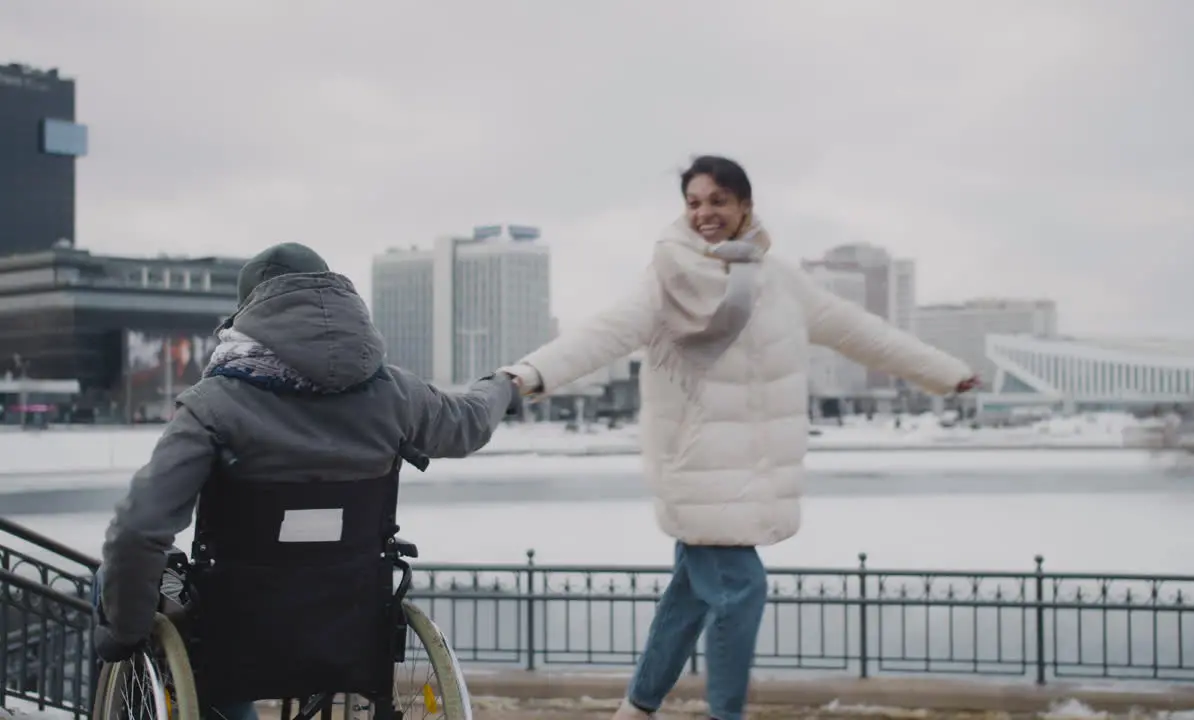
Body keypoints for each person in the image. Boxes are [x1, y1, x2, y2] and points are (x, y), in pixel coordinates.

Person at [499, 156, 980, 720]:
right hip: (696, 469)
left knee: (687, 601)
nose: (705, 213)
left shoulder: (782, 284)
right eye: (694, 202)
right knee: (740, 589)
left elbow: (861, 332)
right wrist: (528, 374)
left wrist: (943, 371)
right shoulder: (666, 280)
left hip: (753, 472)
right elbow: (602, 333)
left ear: (744, 206)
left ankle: (636, 708)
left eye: (718, 201)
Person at [92, 242, 520, 720]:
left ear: (248, 313)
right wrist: (501, 385)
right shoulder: (395, 393)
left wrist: (123, 634)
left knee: (114, 581)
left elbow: (138, 530)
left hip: (237, 619)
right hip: (350, 616)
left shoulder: (214, 404)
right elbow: (469, 423)